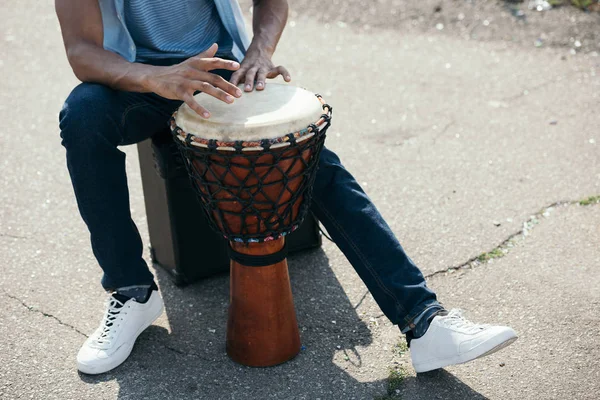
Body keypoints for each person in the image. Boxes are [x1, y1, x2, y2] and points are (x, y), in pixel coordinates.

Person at [55, 0, 517, 376]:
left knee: (306, 154)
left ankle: (424, 322)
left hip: (221, 72)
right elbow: (81, 50)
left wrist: (258, 50)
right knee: (83, 115)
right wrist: (154, 77)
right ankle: (132, 292)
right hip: (139, 79)